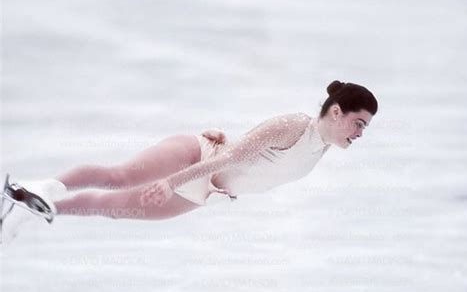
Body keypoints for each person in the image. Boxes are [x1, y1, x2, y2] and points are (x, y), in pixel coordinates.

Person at [3, 80, 378, 225]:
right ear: (335, 112)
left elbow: (255, 159)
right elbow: (233, 156)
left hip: (206, 191)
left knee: (114, 208)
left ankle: (29, 208)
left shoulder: (323, 147)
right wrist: (171, 181)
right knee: (119, 178)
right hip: (196, 158)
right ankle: (43, 185)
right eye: (359, 122)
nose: (361, 132)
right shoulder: (294, 125)